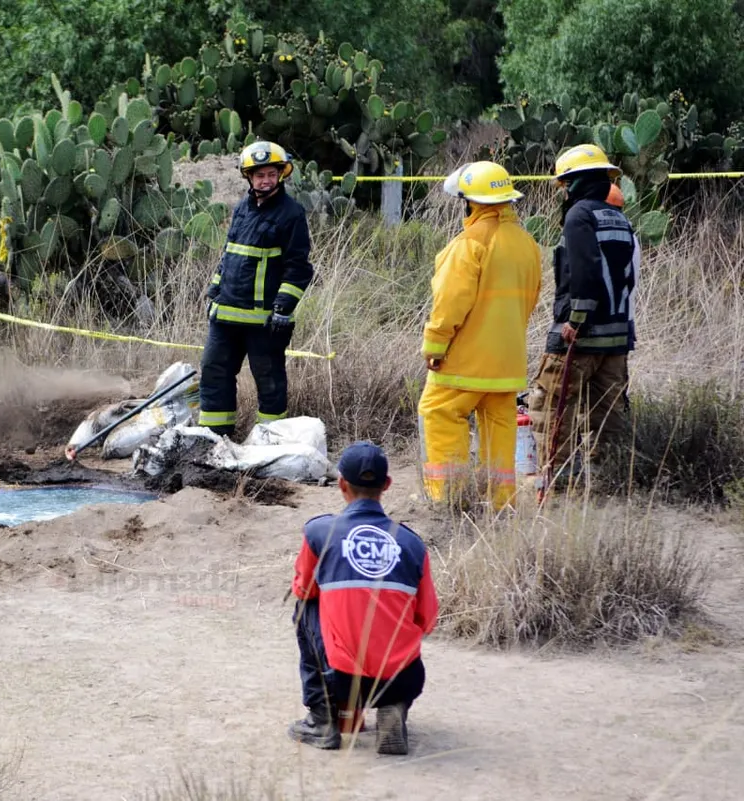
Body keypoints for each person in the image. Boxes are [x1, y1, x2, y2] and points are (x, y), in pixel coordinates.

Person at [288, 441, 439, 755]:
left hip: (341, 679)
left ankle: (325, 719)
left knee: (306, 606)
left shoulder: (319, 532)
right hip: (403, 679)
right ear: (387, 485)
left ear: (341, 484)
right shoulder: (412, 544)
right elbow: (427, 619)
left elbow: (303, 590)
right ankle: (393, 707)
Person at [417, 161, 542, 509]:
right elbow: (530, 300)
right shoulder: (527, 244)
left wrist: (435, 345)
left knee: (439, 412)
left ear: (470, 201)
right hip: (507, 363)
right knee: (499, 428)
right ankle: (501, 501)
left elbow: (449, 302)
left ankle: (449, 497)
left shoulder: (469, 242)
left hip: (465, 361)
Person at [526, 145, 639, 492]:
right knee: (609, 417)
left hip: (581, 336)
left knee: (553, 411)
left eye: (564, 184)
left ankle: (559, 484)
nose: (563, 190)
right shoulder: (621, 218)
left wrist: (574, 320)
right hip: (617, 339)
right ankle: (613, 482)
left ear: (575, 183)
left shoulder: (579, 216)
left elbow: (586, 270)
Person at [198, 141, 314, 438]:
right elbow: (228, 254)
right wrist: (213, 292)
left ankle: (271, 439)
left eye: (271, 174)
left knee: (269, 380)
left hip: (264, 321)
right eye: (259, 175)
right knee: (214, 372)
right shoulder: (242, 208)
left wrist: (283, 307)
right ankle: (215, 435)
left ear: (280, 175)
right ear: (249, 177)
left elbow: (298, 267)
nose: (265, 180)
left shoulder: (292, 214)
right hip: (225, 315)